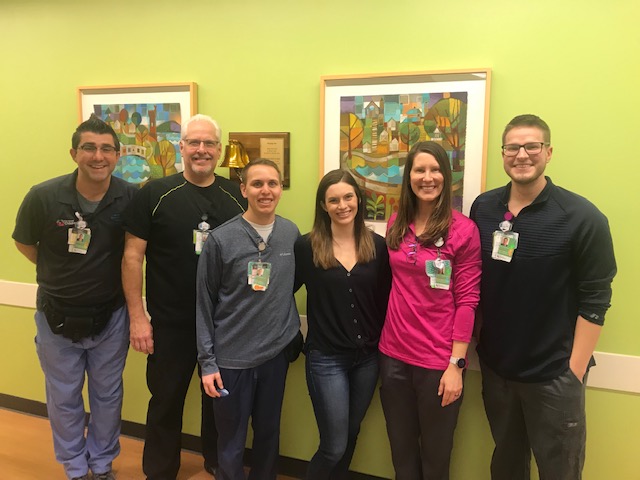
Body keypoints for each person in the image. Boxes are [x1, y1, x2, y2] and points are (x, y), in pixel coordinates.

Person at [470, 114, 616, 480]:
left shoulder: (582, 217)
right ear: (503, 154)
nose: (522, 154)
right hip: (498, 370)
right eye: (512, 147)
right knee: (506, 466)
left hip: (554, 375)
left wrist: (573, 372)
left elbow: (596, 299)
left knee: (560, 471)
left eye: (531, 146)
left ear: (548, 152)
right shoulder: (483, 209)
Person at [122, 114, 247, 479]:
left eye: (209, 143)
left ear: (219, 150)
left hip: (223, 324)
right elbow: (132, 257)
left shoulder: (236, 197)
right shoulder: (154, 194)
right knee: (165, 400)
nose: (201, 150)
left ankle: (217, 461)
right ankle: (160, 471)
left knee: (219, 399)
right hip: (170, 324)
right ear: (182, 147)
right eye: (194, 142)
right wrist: (137, 317)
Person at [12, 116, 136, 480]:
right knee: (64, 397)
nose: (98, 156)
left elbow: (134, 252)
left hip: (110, 316)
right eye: (89, 148)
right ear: (73, 153)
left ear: (117, 155)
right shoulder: (43, 196)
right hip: (55, 315)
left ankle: (102, 464)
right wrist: (61, 272)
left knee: (107, 396)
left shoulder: (131, 197)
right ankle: (76, 468)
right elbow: (24, 243)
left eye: (107, 149)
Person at [379, 141, 481, 480]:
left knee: (436, 458)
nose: (427, 177)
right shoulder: (396, 223)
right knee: (401, 453)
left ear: (446, 176)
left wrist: (456, 365)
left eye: (435, 170)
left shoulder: (463, 230)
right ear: (408, 177)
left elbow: (467, 301)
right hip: (393, 356)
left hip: (438, 363)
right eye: (419, 170)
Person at [196, 158, 300, 480]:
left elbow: (288, 286)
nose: (265, 191)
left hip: (274, 357)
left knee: (269, 433)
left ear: (280, 188)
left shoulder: (290, 233)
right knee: (231, 439)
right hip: (231, 360)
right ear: (243, 189)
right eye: (257, 184)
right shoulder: (220, 239)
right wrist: (207, 363)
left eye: (272, 183)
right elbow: (203, 304)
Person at [294, 170, 391, 480]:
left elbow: (386, 299)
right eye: (333, 200)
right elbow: (282, 293)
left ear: (358, 200)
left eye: (348, 197)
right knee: (333, 446)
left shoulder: (377, 246)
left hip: (368, 359)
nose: (342, 205)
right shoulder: (307, 247)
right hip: (326, 358)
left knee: (351, 433)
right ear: (324, 206)